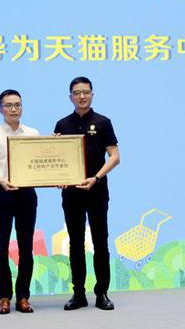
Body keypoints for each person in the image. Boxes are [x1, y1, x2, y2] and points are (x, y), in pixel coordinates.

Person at [54, 77, 120, 311]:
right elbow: (56, 159)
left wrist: (96, 178)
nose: (81, 96)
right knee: (75, 243)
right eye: (77, 93)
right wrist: (57, 177)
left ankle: (102, 293)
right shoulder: (62, 124)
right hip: (71, 193)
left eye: (85, 92)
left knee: (100, 242)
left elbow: (115, 156)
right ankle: (78, 294)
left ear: (92, 94)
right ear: (70, 97)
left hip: (97, 190)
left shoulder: (103, 122)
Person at [0, 89, 39, 314]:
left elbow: (39, 162)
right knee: (1, 247)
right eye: (8, 105)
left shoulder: (32, 133)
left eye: (17, 105)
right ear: (0, 109)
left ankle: (23, 297)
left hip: (26, 194)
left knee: (26, 248)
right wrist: (0, 180)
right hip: (1, 193)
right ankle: (4, 296)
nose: (14, 109)